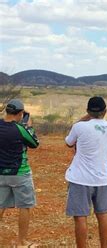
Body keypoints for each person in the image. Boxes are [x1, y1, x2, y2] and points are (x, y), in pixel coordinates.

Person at [64, 96, 107, 248]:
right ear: (105, 111)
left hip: (80, 178)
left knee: (80, 217)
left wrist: (83, 118)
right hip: (102, 179)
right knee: (103, 214)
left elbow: (69, 142)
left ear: (88, 111)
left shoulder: (79, 127)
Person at [0, 99, 39, 247]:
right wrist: (30, 127)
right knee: (24, 206)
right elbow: (34, 143)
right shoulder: (20, 128)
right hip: (19, 173)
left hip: (1, 172)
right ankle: (22, 242)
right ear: (21, 113)